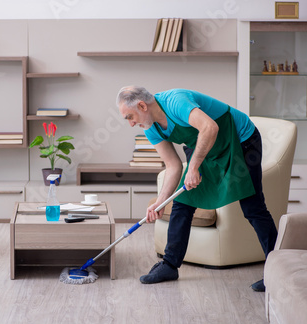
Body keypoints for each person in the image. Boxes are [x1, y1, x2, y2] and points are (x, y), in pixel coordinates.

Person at [116, 86, 278, 292]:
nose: (131, 124)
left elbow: (210, 127)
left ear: (142, 106)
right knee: (182, 203)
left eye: (130, 117)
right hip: (206, 146)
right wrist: (161, 201)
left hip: (241, 140)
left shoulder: (176, 102)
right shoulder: (151, 128)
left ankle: (277, 272)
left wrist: (193, 167)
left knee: (253, 208)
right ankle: (169, 265)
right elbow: (173, 166)